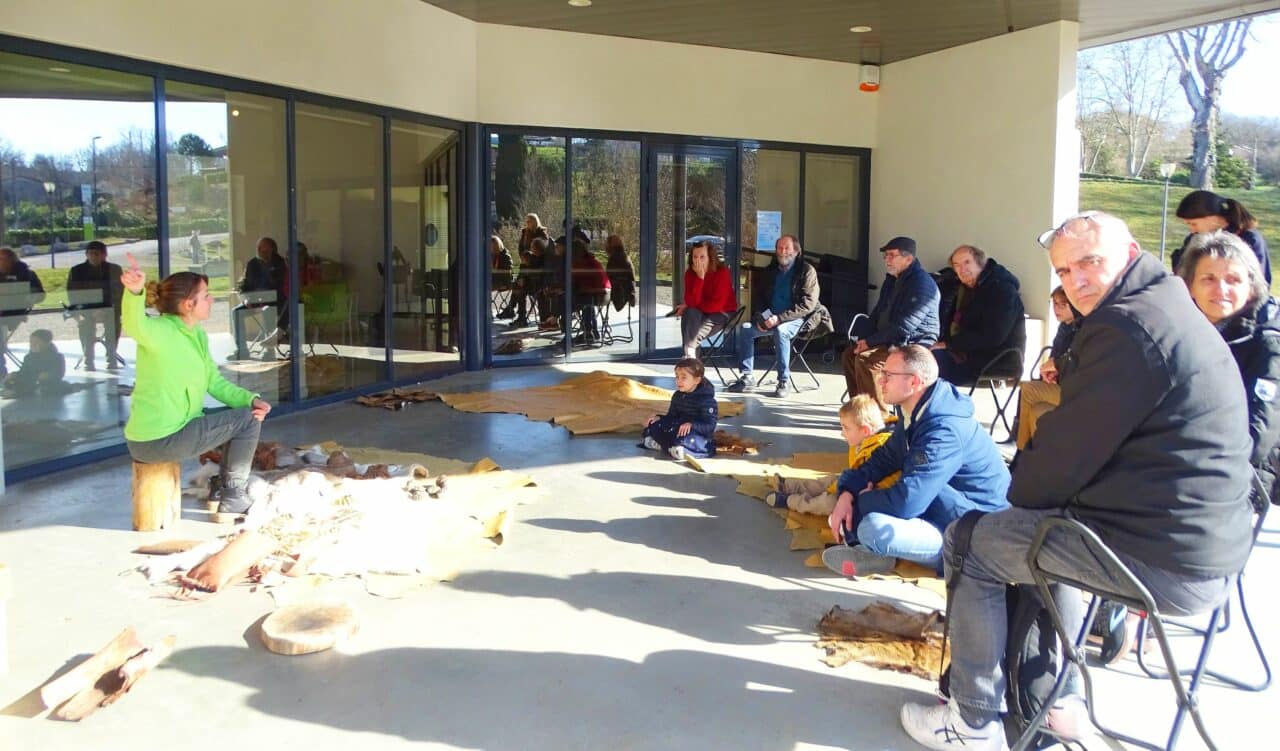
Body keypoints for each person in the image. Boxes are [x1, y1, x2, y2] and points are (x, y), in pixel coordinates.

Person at [899, 212, 1254, 751]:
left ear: (1130, 253)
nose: (1077, 280)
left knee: (971, 540)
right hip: (1198, 547)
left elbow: (1065, 453)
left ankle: (971, 721)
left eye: (1090, 262)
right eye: (1064, 271)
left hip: (1167, 559)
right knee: (1046, 526)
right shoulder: (1162, 305)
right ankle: (1056, 699)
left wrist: (1010, 501)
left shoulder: (1130, 325)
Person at [825, 345, 1010, 577]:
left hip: (977, 531)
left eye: (888, 376)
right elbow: (884, 459)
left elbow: (907, 502)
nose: (880, 381)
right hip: (945, 509)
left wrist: (860, 503)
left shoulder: (944, 431)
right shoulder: (916, 413)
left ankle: (956, 559)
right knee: (861, 515)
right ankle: (874, 548)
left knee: (873, 529)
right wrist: (848, 492)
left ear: (914, 382)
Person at [120, 253, 273, 516]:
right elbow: (135, 325)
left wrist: (250, 399)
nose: (211, 299)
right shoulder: (160, 331)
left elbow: (214, 381)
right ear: (187, 304)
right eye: (206, 295)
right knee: (247, 421)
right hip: (159, 439)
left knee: (245, 415)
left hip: (180, 427)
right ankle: (233, 494)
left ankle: (221, 486)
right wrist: (134, 293)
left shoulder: (197, 334)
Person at [1177, 229, 1280, 508]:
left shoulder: (1267, 344)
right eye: (1208, 279)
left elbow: (1259, 432)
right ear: (1189, 286)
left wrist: (1191, 469)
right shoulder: (1180, 333)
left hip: (1238, 485)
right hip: (1175, 470)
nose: (1220, 289)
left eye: (1233, 279)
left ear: (1252, 286)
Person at [842, 237, 939, 413]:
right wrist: (864, 340)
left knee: (867, 360)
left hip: (914, 342)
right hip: (891, 339)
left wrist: (870, 343)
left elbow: (905, 326)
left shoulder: (922, 284)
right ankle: (861, 411)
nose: (887, 260)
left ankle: (880, 418)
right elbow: (877, 314)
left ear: (908, 259)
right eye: (886, 256)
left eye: (892, 255)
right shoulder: (892, 280)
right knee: (850, 354)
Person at [726, 235, 828, 398]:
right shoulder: (770, 271)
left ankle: (783, 381)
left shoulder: (806, 271)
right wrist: (762, 318)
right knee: (746, 329)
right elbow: (760, 299)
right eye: (779, 248)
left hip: (798, 319)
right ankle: (747, 376)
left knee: (781, 331)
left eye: (787, 248)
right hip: (771, 318)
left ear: (796, 251)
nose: (782, 252)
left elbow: (807, 304)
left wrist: (779, 319)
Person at [766, 394, 899, 516]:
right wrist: (837, 486)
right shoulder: (863, 440)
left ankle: (791, 501)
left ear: (865, 430)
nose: (842, 433)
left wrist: (834, 491)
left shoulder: (880, 448)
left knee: (829, 503)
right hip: (856, 485)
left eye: (846, 428)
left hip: (871, 498)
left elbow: (866, 484)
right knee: (831, 480)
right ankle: (791, 486)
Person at [932, 244, 1025, 383]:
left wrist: (948, 344)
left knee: (929, 364)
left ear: (980, 263)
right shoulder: (965, 289)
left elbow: (993, 337)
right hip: (966, 354)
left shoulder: (1002, 290)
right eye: (956, 265)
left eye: (967, 262)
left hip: (996, 360)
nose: (962, 269)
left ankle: (931, 404)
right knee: (920, 356)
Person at [1013, 286, 1079, 450]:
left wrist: (1056, 367)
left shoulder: (1082, 328)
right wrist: (1050, 373)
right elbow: (1054, 360)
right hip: (1062, 386)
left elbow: (1076, 363)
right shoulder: (1064, 327)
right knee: (1038, 410)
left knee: (1028, 390)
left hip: (1078, 393)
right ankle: (1037, 458)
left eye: (1062, 304)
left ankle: (1021, 455)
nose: (1056, 308)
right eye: (1054, 303)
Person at [1171, 189, 1270, 283]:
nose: (1192, 229)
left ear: (1213, 218)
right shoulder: (1193, 239)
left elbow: (1259, 281)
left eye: (1193, 224)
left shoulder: (1249, 238)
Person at [641, 357, 719, 461]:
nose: (679, 381)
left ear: (697, 380)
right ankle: (669, 447)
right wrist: (659, 418)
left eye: (684, 377)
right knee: (654, 425)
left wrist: (692, 425)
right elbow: (671, 416)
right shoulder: (677, 395)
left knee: (686, 437)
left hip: (696, 434)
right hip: (678, 429)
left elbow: (710, 426)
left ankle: (677, 448)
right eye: (677, 377)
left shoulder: (706, 400)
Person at [66, 240, 124, 371]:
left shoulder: (114, 269)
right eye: (90, 253)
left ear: (104, 255)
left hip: (109, 308)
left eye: (97, 254)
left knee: (114, 324)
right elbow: (73, 294)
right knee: (85, 325)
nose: (93, 256)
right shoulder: (76, 271)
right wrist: (88, 310)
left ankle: (111, 356)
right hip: (86, 310)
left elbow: (119, 292)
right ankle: (88, 358)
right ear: (86, 255)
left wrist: (106, 309)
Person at [675, 239, 736, 358]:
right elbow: (690, 302)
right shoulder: (690, 274)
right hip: (701, 312)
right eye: (695, 257)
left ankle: (690, 360)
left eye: (702, 257)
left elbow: (716, 306)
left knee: (693, 334)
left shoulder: (722, 272)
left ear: (710, 258)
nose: (698, 260)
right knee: (690, 312)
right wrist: (700, 279)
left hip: (722, 313)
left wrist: (695, 304)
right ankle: (691, 360)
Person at [232, 236, 289, 357]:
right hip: (254, 300)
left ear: (272, 250)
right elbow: (243, 284)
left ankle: (269, 350)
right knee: (236, 312)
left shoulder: (281, 264)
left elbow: (281, 287)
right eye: (257, 248)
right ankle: (242, 350)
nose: (259, 251)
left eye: (262, 249)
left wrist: (269, 268)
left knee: (267, 309)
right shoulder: (252, 264)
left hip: (275, 302)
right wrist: (245, 297)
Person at [0, 246, 47, 376]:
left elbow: (40, 294)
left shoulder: (26, 274)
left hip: (13, 313)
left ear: (12, 260)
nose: (1, 262)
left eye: (4, 259)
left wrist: (29, 298)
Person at [569, 239, 611, 344]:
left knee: (585, 299)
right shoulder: (588, 262)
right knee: (586, 299)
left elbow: (598, 286)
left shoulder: (589, 264)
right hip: (597, 294)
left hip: (600, 294)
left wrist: (584, 289)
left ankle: (588, 331)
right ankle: (591, 331)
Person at [1, 329, 64, 396]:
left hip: (48, 384)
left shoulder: (57, 357)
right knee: (13, 382)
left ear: (47, 343)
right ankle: (20, 391)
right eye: (31, 342)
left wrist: (49, 375)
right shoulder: (28, 357)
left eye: (36, 342)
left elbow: (58, 374)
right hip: (30, 382)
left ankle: (21, 391)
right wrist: (14, 375)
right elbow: (23, 372)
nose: (32, 345)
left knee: (51, 387)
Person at [604, 234, 636, 313]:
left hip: (619, 292)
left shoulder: (614, 259)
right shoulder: (625, 256)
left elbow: (609, 276)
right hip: (628, 291)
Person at [491, 235, 516, 318]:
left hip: (504, 281)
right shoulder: (491, 256)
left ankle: (487, 312)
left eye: (494, 246)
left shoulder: (505, 256)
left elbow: (507, 272)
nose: (492, 248)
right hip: (494, 279)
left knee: (484, 289)